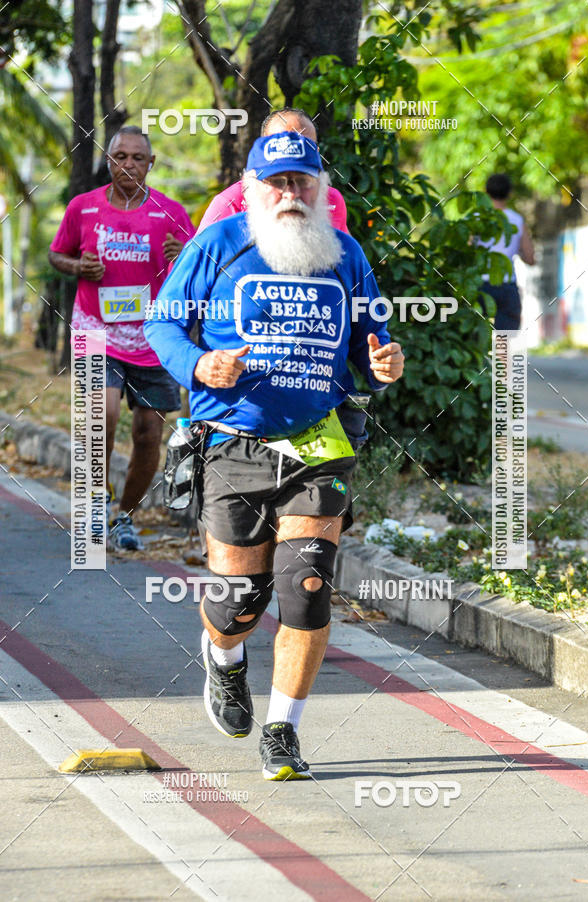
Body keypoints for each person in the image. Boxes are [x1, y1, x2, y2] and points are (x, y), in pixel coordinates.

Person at [144, 130, 403, 781]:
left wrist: (384, 362)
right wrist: (201, 363)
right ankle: (225, 658)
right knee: (241, 600)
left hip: (319, 446)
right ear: (255, 189)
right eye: (277, 182)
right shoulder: (219, 245)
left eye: (301, 181)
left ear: (320, 188)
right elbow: (163, 323)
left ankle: (283, 729)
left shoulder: (343, 252)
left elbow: (377, 341)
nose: (290, 193)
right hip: (234, 442)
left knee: (307, 588)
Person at [49, 126, 194, 551]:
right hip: (95, 328)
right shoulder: (83, 207)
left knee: (149, 432)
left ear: (151, 165)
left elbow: (197, 269)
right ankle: (95, 502)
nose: (127, 164)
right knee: (103, 414)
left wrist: (180, 256)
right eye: (119, 156)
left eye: (136, 158)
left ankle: (123, 518)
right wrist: (78, 268)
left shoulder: (171, 212)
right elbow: (57, 254)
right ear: (108, 161)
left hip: (154, 336)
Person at [197, 107, 349, 234]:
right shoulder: (230, 203)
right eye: (282, 143)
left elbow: (349, 262)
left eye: (306, 144)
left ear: (317, 150)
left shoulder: (332, 199)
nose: (295, 150)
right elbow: (197, 264)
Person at [480, 173, 535, 330]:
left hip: (479, 285)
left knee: (474, 340)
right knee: (507, 344)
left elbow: (466, 250)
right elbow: (530, 258)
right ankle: (503, 355)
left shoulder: (476, 217)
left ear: (486, 191)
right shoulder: (517, 220)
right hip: (506, 285)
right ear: (509, 193)